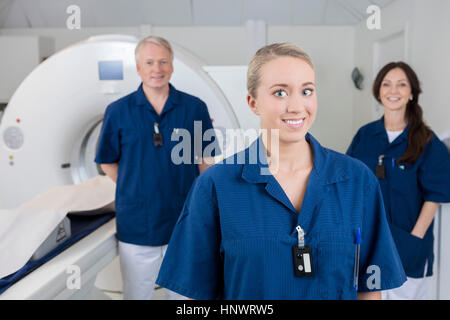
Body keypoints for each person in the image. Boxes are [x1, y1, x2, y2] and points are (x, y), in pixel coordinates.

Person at [155, 43, 406, 300]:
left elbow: (370, 288)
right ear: (253, 103)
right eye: (280, 93)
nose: (297, 106)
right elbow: (197, 294)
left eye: (306, 91)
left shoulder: (357, 181)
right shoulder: (214, 186)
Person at [95, 36, 218, 300]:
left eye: (163, 61)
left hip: (184, 219)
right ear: (139, 68)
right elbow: (107, 161)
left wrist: (200, 202)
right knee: (137, 294)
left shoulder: (194, 108)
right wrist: (135, 190)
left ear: (172, 66)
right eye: (149, 62)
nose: (157, 69)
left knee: (185, 295)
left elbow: (207, 160)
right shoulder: (118, 111)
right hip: (138, 222)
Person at [346, 62, 450, 300]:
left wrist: (414, 239)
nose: (393, 90)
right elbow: (350, 182)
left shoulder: (426, 141)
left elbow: (434, 196)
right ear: (378, 91)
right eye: (387, 84)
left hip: (409, 247)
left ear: (411, 93)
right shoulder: (365, 135)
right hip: (369, 243)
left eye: (402, 84)